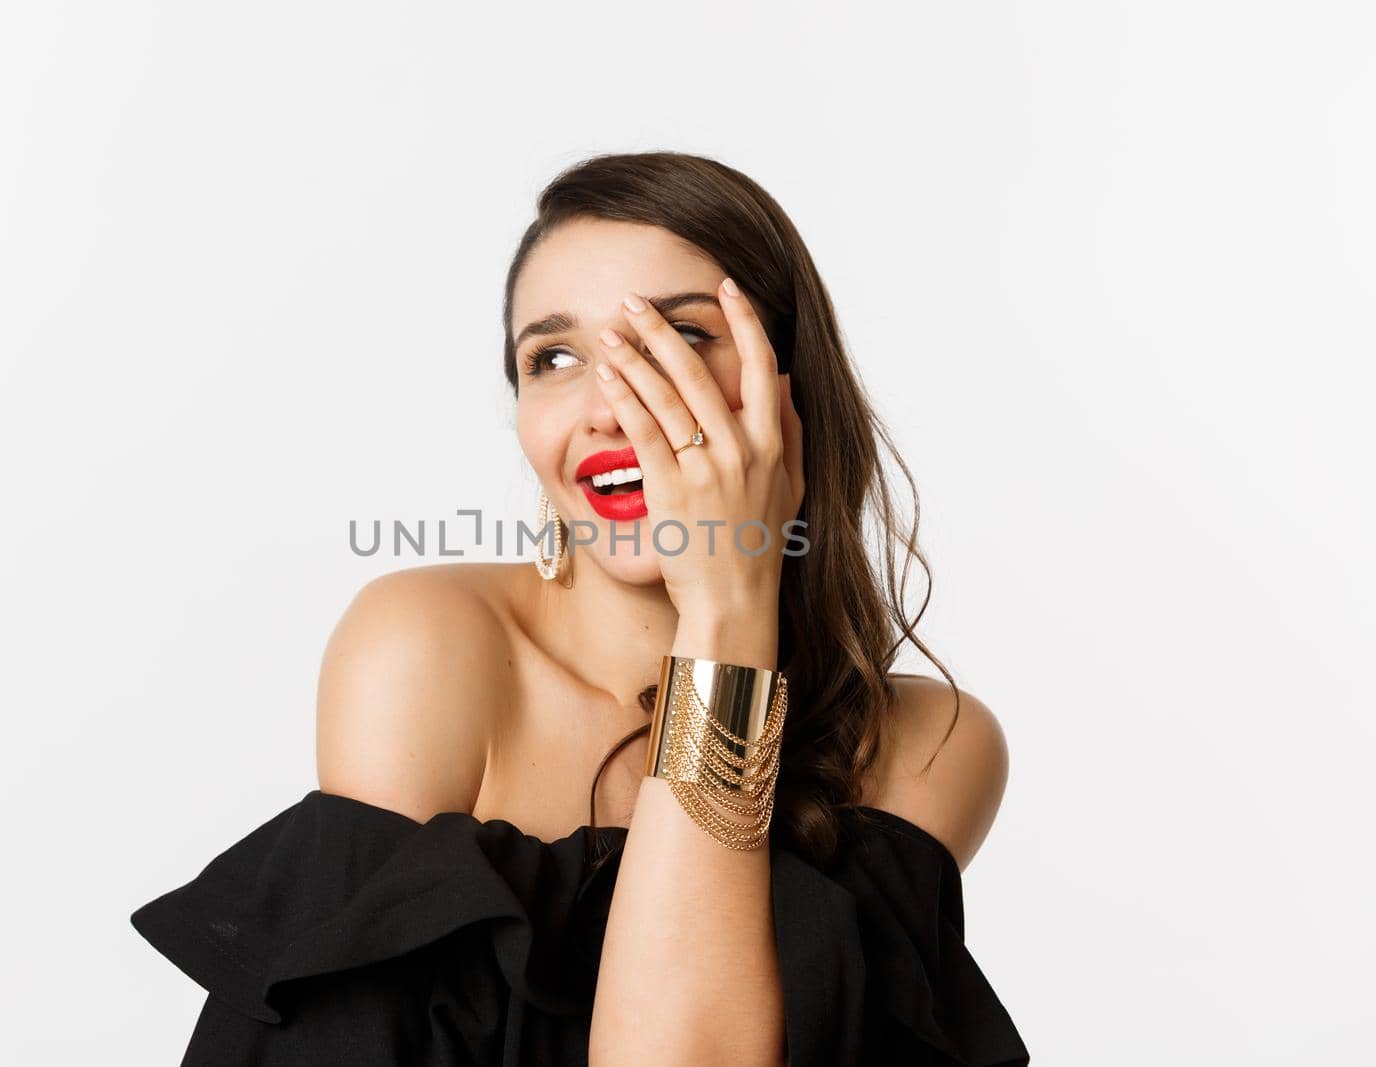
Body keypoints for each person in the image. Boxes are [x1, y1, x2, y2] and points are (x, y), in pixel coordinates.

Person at [131, 151, 1030, 1066]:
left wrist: (726, 614)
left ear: (788, 384)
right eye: (553, 357)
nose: (609, 407)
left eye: (676, 338)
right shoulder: (429, 650)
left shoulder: (926, 744)